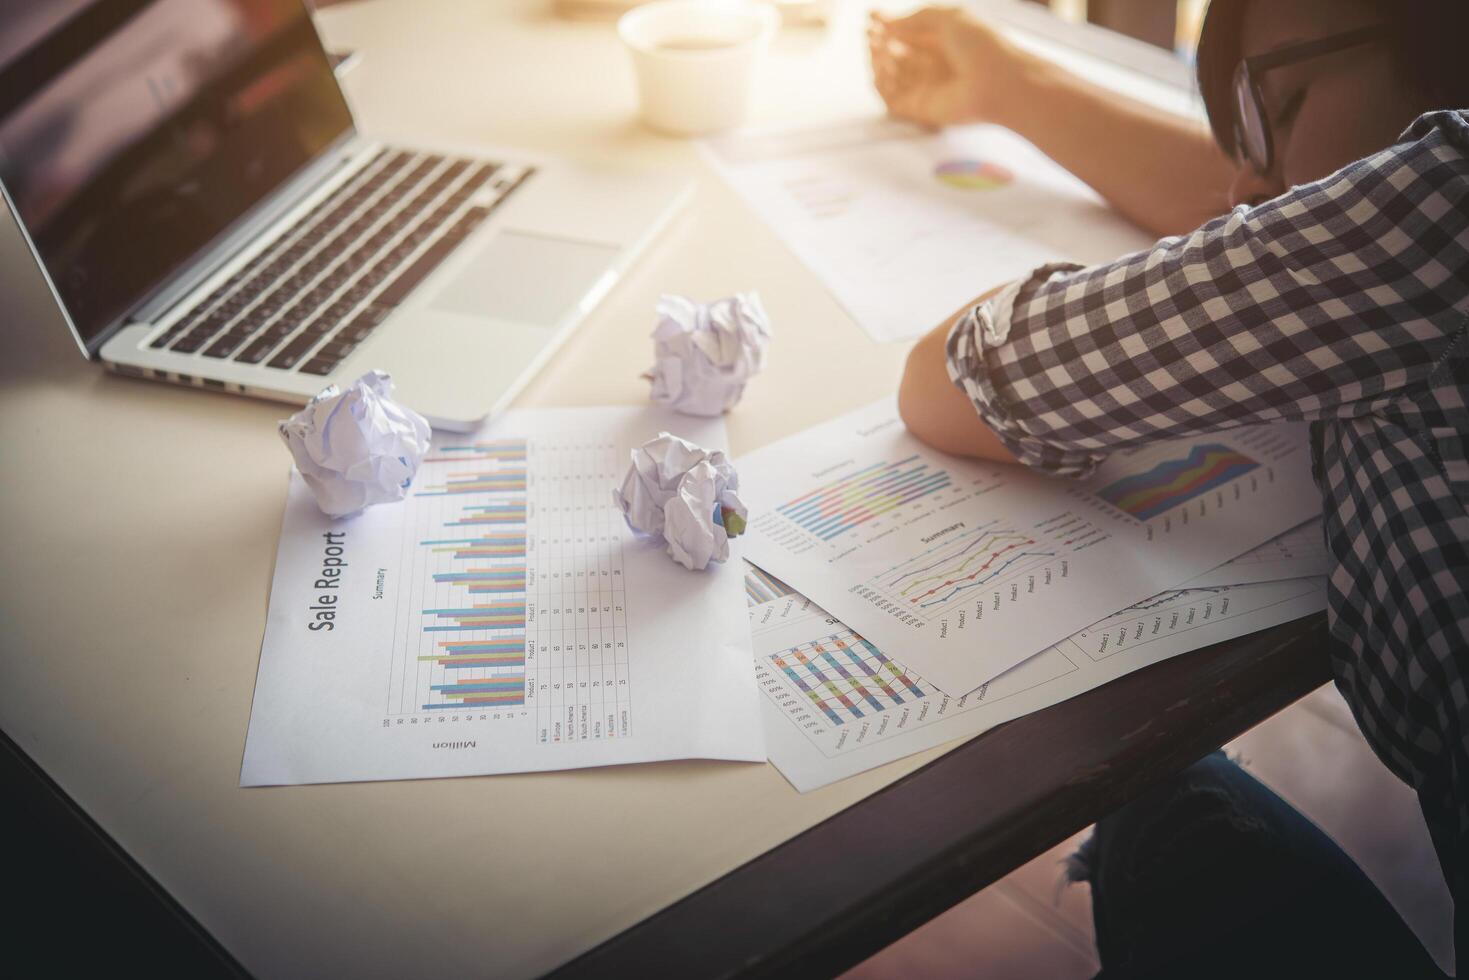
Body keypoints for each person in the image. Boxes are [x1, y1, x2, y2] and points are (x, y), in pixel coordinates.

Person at [870, 0, 1468, 973]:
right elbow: (1274, 206)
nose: (1243, 181)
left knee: (1155, 799)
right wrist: (1003, 83)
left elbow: (951, 381)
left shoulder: (1439, 200)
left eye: (1272, 104)